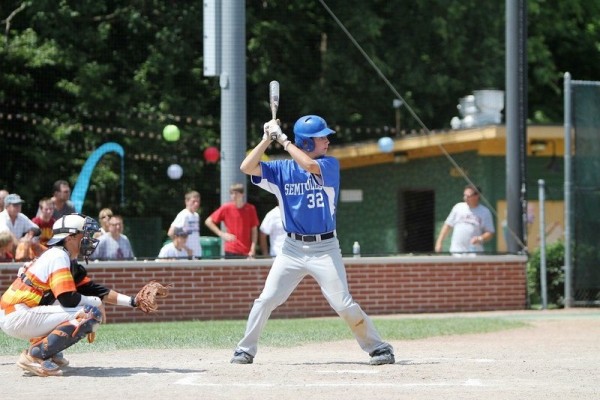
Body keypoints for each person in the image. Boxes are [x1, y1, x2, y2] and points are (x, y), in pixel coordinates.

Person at [232, 114, 395, 365]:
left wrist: (284, 140)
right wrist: (266, 139)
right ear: (307, 142)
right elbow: (246, 167)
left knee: (342, 303)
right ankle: (245, 349)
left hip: (325, 248)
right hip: (291, 249)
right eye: (322, 138)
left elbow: (309, 166)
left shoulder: (329, 165)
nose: (327, 141)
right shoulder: (282, 169)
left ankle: (379, 347)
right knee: (266, 299)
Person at [0, 213, 150, 377]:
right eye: (83, 234)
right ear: (69, 237)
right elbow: (67, 298)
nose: (88, 238)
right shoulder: (58, 256)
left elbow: (95, 289)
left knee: (85, 308)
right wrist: (94, 302)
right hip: (18, 314)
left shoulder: (62, 257)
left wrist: (133, 301)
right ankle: (35, 355)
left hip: (17, 313)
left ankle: (45, 351)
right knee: (89, 314)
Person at [435, 184, 495, 253]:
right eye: (464, 195)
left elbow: (490, 233)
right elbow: (447, 226)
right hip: (456, 252)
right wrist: (439, 242)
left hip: (475, 253)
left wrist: (479, 238)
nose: (465, 198)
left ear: (477, 196)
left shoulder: (485, 212)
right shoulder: (458, 207)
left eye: (468, 196)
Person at [204, 183, 259, 258]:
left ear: (242, 194)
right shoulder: (226, 207)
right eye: (231, 193)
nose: (233, 196)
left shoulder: (250, 209)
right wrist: (222, 234)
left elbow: (254, 230)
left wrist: (253, 248)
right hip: (231, 249)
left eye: (236, 193)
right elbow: (208, 221)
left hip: (246, 250)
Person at [168, 191, 202, 259]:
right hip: (186, 254)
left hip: (197, 253)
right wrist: (186, 248)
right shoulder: (184, 215)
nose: (196, 204)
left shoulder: (196, 215)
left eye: (198, 201)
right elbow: (171, 233)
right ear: (187, 201)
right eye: (193, 201)